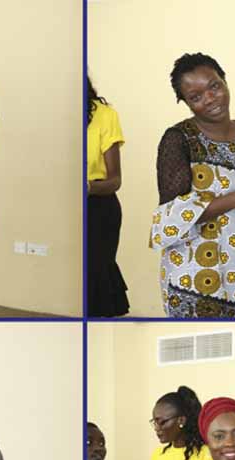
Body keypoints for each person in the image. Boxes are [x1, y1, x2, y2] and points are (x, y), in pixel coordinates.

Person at [150, 53, 235, 318]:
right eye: (196, 97)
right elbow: (172, 216)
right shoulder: (178, 139)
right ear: (185, 102)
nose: (209, 99)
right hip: (190, 277)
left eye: (214, 86)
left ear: (224, 81)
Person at [87, 77, 129, 317]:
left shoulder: (105, 115)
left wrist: (88, 186)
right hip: (71, 208)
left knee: (97, 276)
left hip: (99, 208)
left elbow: (115, 180)